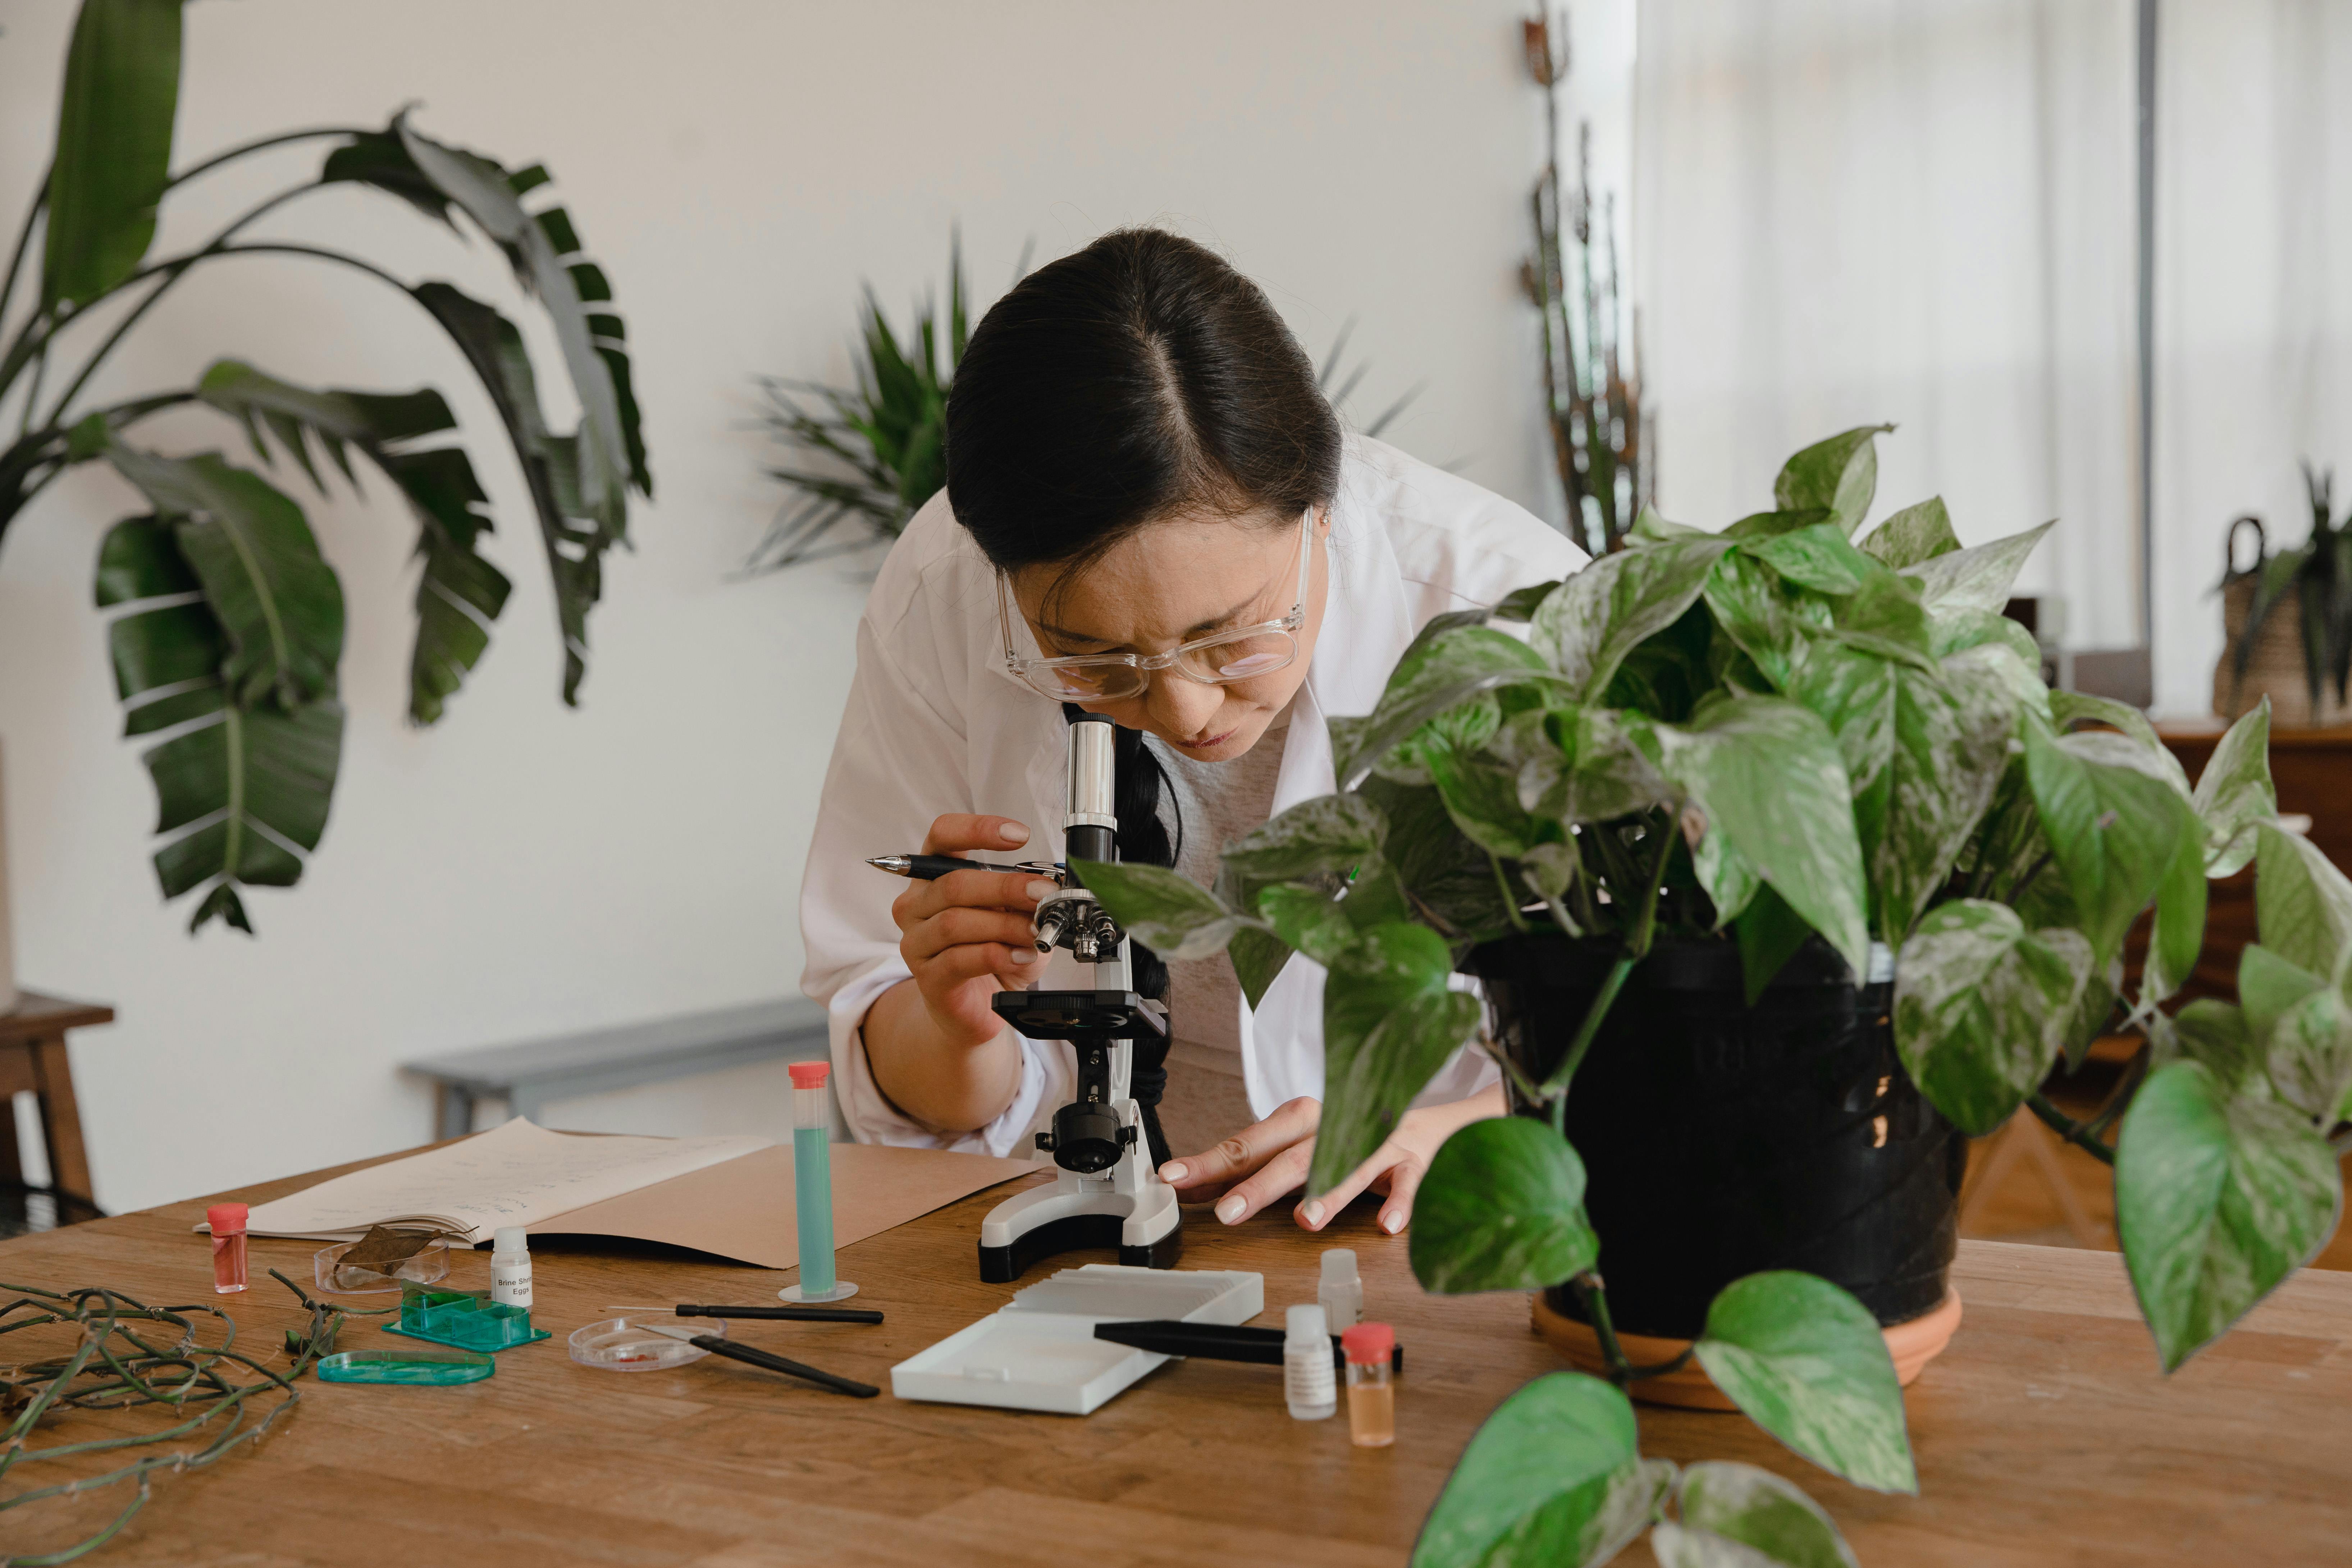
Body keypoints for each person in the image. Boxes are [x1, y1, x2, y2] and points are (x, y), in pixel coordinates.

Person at [799, 228, 1585, 1235]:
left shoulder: (1507, 614)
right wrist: (954, 1021)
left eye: (1233, 638)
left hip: (1431, 1238)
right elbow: (909, 1063)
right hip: (1098, 1232)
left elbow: (1675, 1034)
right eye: (1096, 658)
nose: (1186, 711)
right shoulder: (945, 595)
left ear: (1322, 513)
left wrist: (1452, 1130)